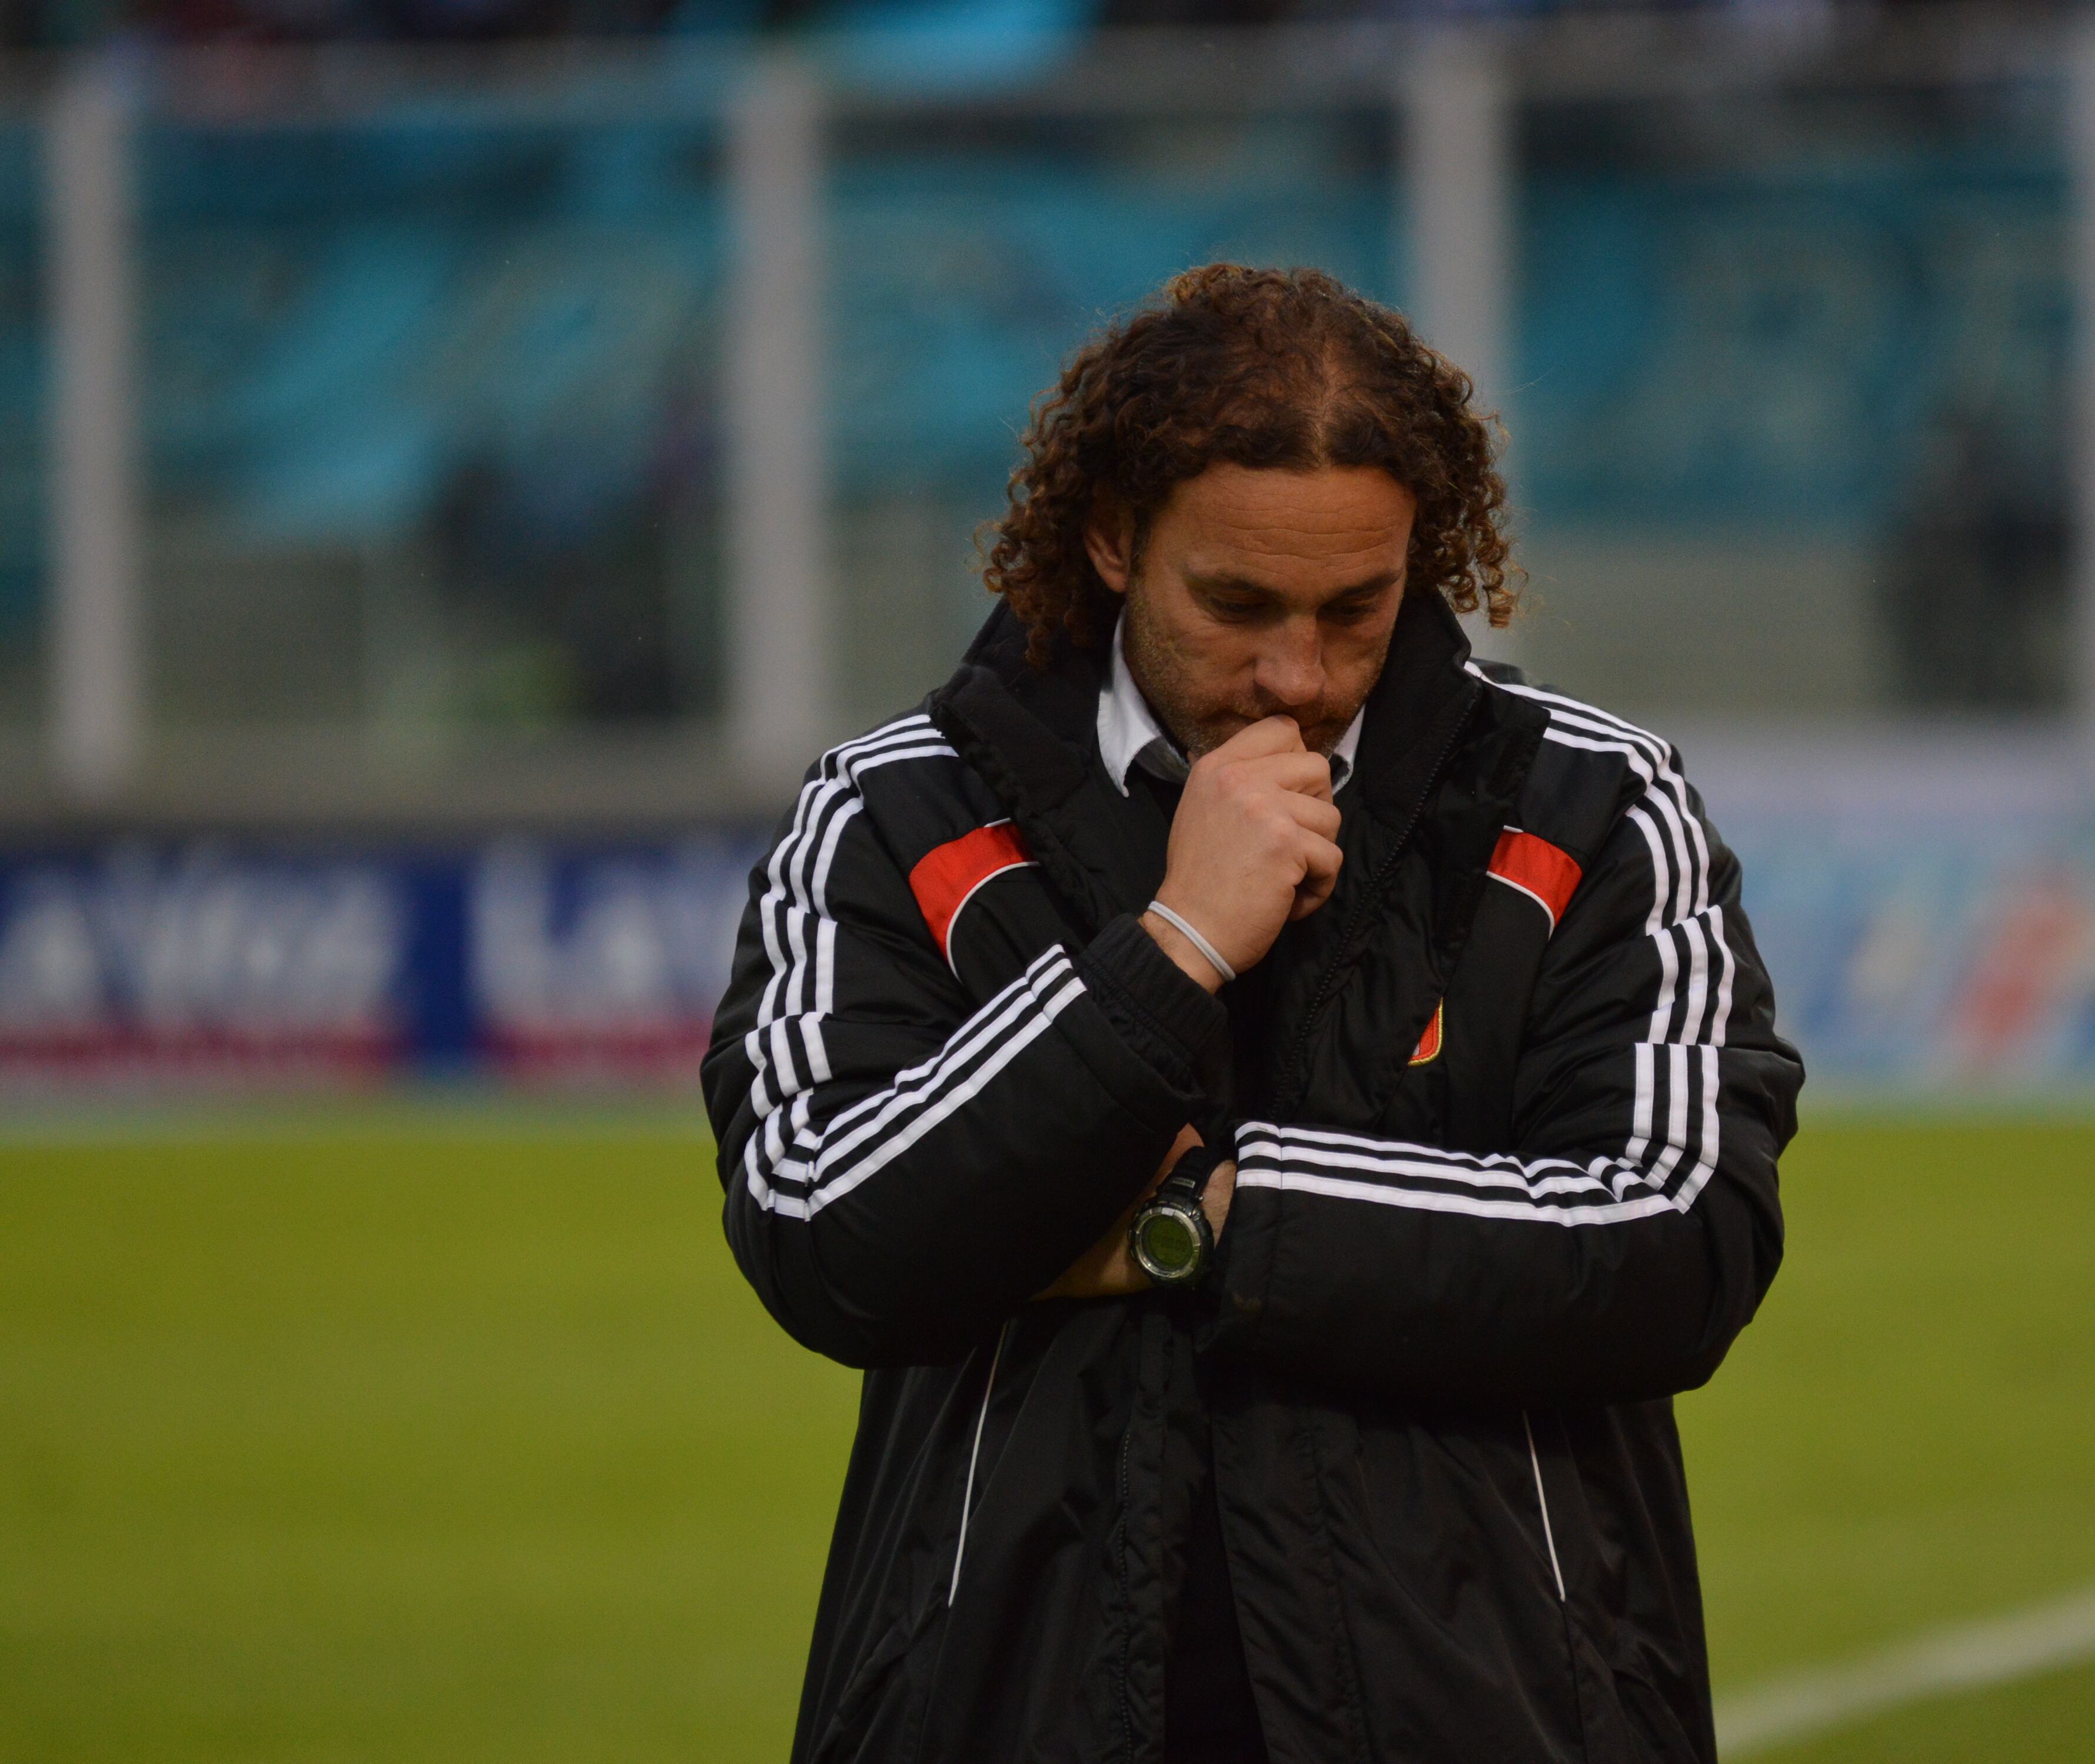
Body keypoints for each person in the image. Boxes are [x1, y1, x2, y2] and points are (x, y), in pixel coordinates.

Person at [702, 263, 1801, 1763]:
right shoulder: (895, 818)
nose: (1300, 672)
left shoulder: (1590, 805)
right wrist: (1168, 947)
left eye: (1360, 607)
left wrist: (1215, 1223)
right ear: (1107, 538)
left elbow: (1678, 1240)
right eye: (1235, 605)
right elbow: (831, 1236)